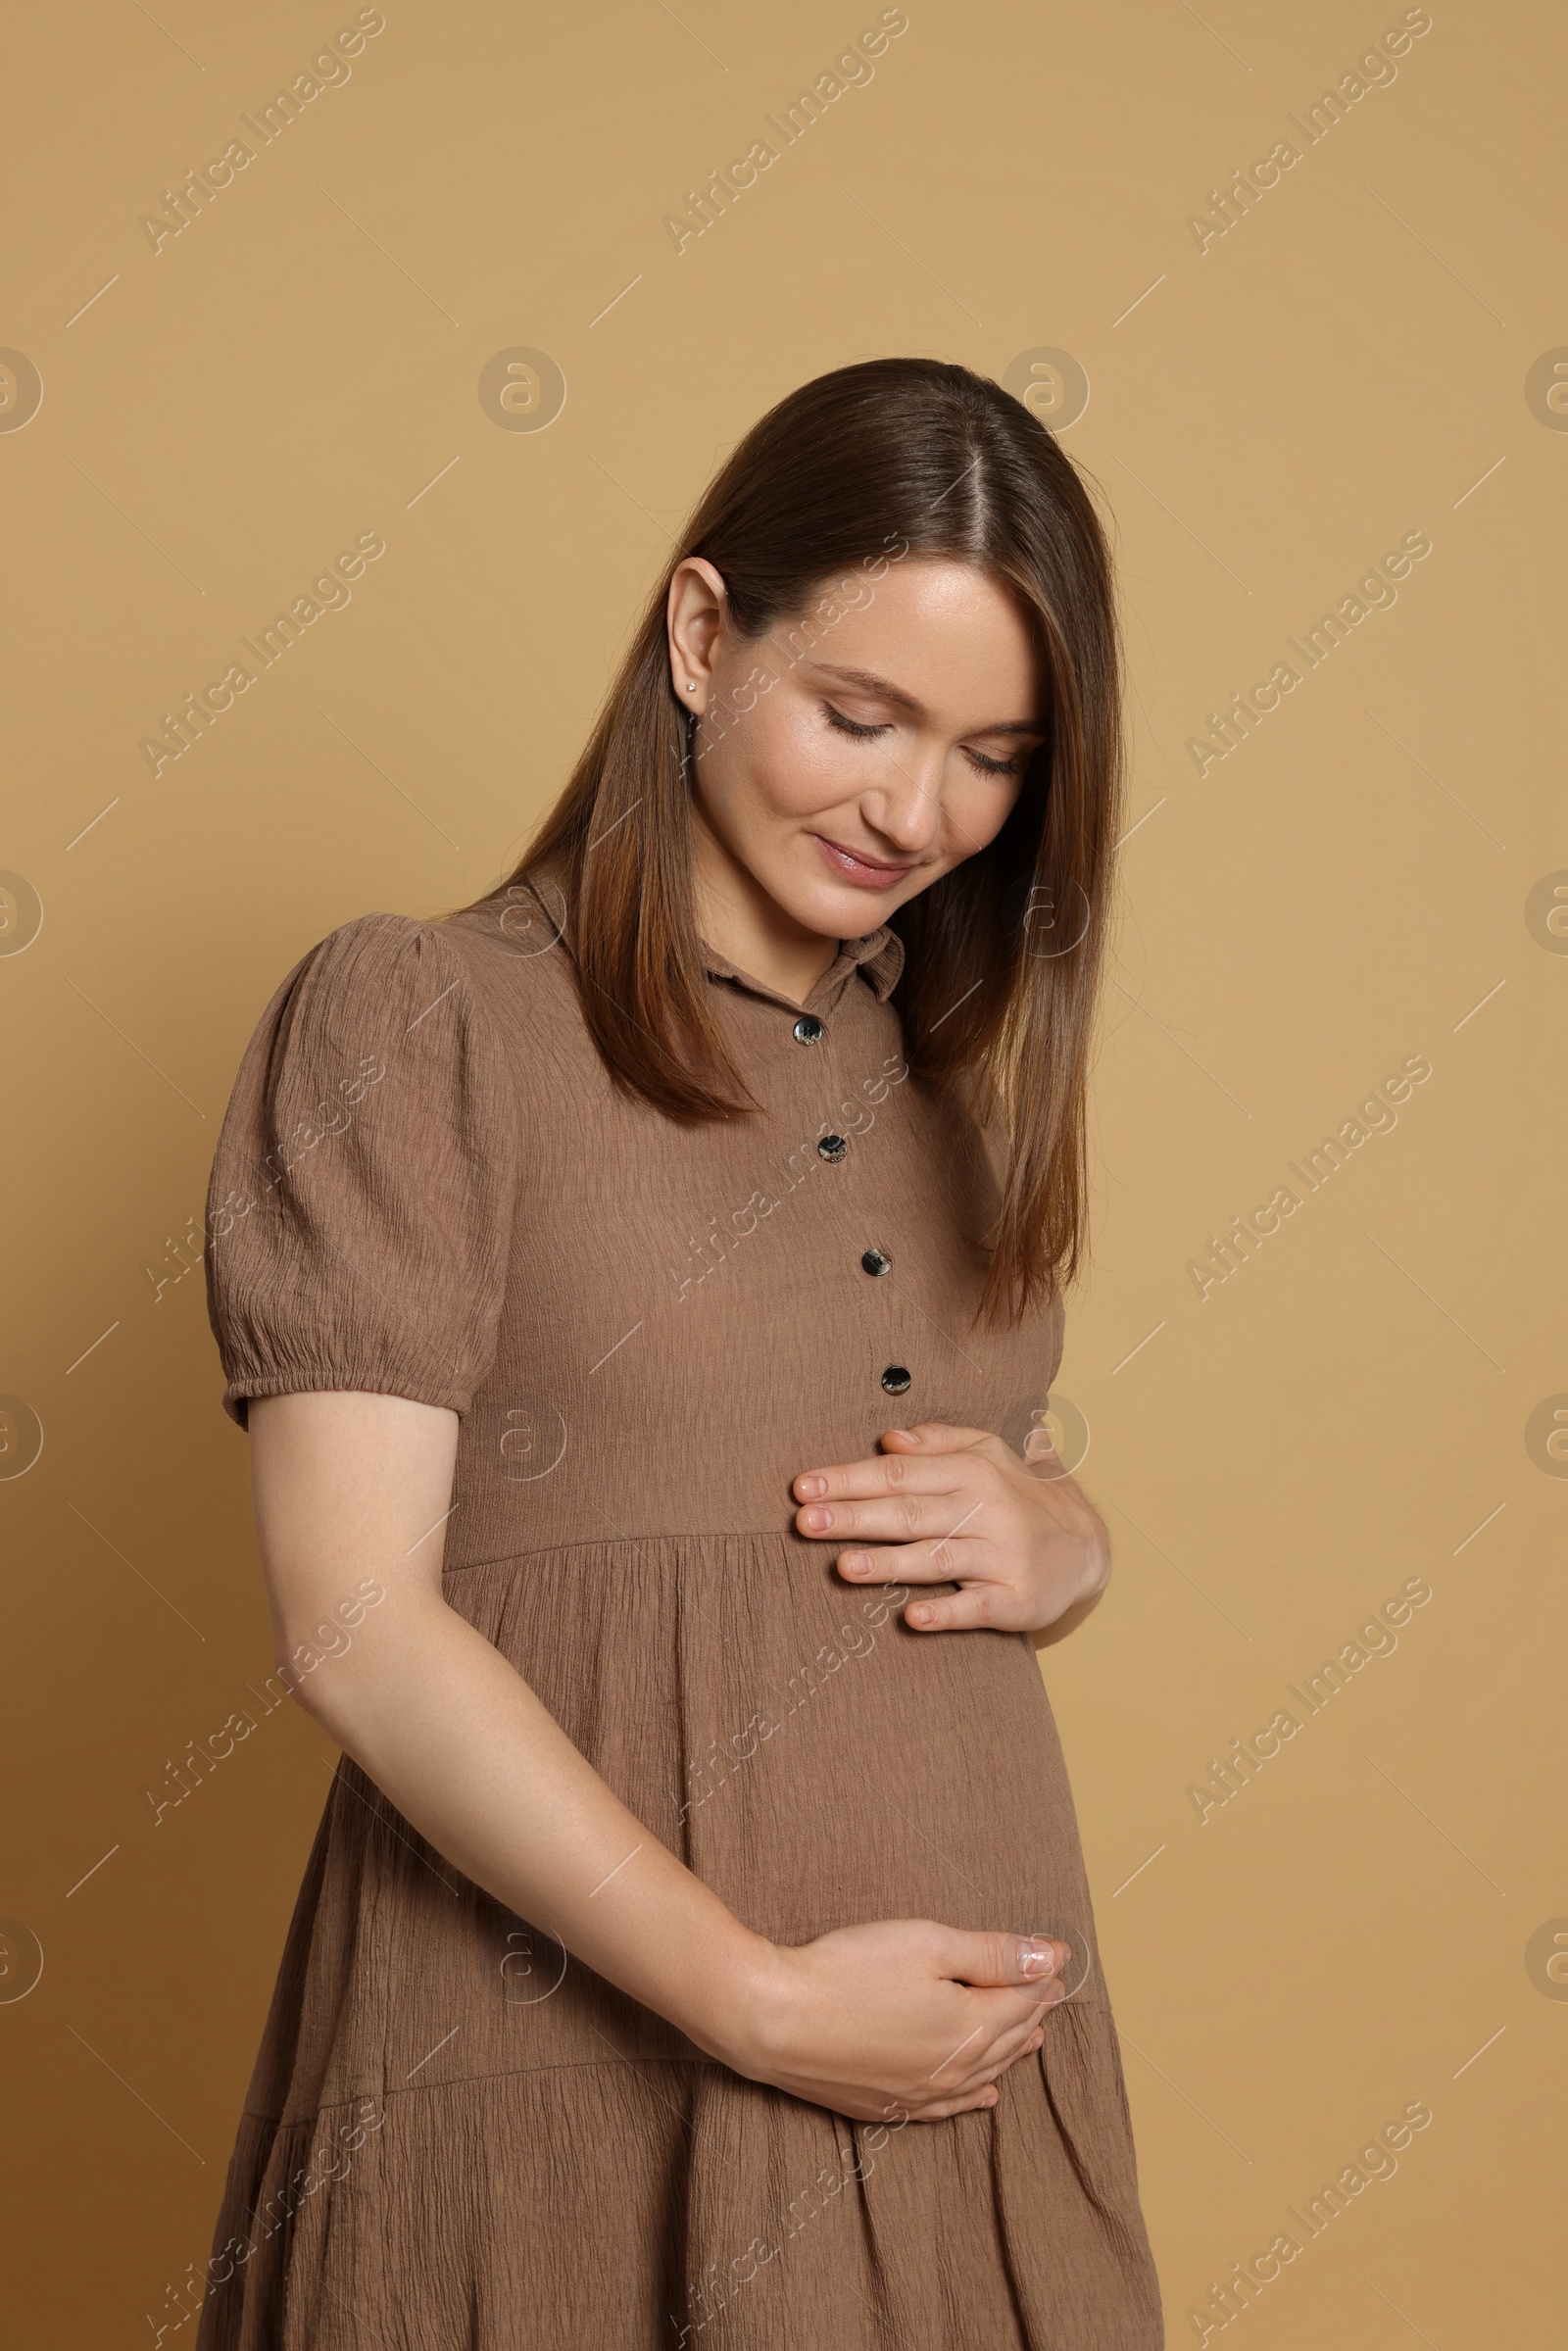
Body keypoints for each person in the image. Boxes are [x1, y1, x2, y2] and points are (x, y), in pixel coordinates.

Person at [194, 356, 1163, 2348]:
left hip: (962, 2091)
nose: (917, 809)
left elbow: (900, 1484)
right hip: (573, 2066)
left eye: (993, 753)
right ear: (705, 635)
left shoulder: (948, 1071)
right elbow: (353, 1621)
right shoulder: (423, 1019)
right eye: (860, 716)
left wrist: (1073, 1544)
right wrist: (760, 1997)